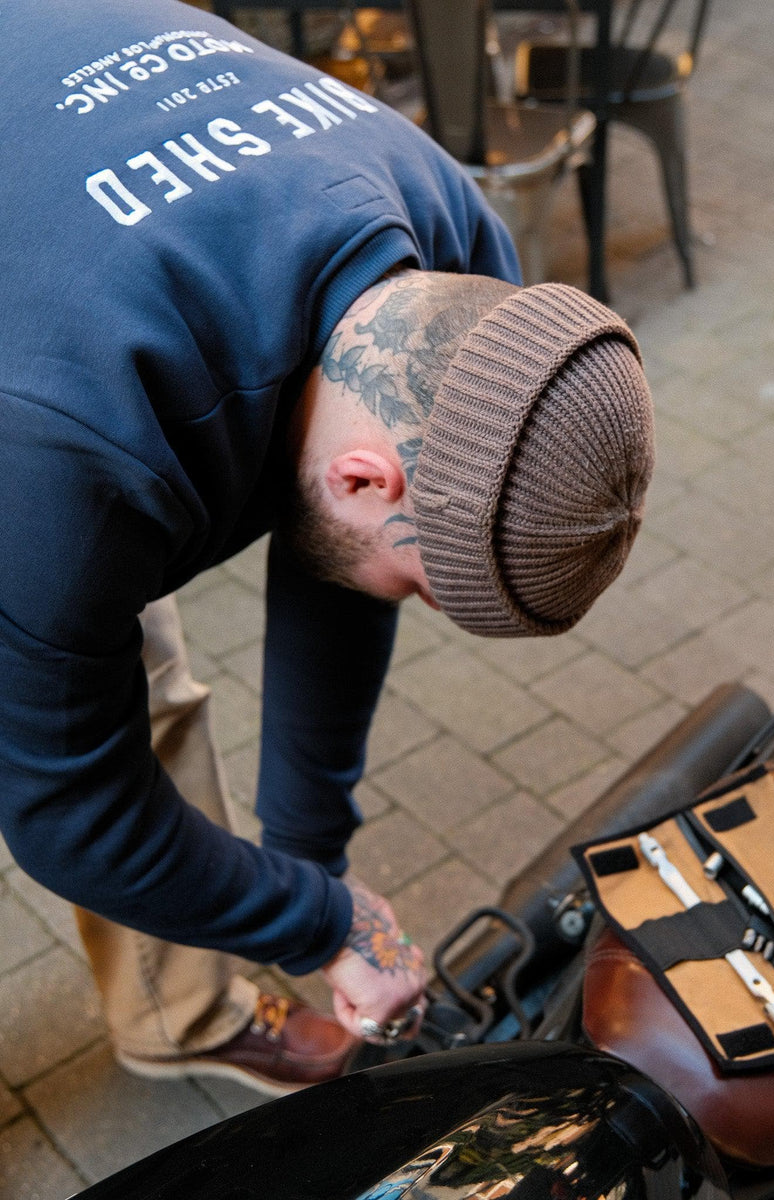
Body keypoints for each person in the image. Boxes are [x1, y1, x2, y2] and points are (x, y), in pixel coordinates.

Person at [0, 0, 655, 1096]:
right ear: (369, 476)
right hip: (47, 394)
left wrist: (309, 868)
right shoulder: (72, 453)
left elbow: (342, 563)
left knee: (120, 666)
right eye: (424, 580)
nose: (406, 596)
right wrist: (323, 923)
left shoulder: (457, 268)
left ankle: (177, 1016)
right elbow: (72, 814)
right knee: (61, 699)